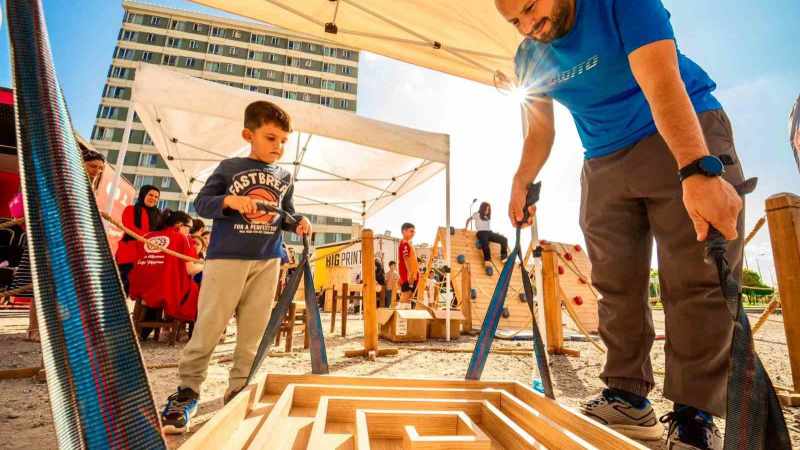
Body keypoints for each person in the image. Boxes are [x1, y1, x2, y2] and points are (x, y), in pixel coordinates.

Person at [495, 1, 744, 448]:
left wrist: (696, 170)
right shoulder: (528, 57)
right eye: (515, 21)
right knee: (615, 281)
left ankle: (694, 414)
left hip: (679, 129)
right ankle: (628, 398)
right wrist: (520, 181)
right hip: (604, 157)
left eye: (531, 8)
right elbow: (540, 132)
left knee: (696, 276)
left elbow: (661, 81)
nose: (527, 26)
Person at [160, 100, 311, 433]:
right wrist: (228, 201)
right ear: (249, 134)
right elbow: (201, 204)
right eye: (271, 138)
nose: (279, 147)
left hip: (268, 261)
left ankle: (239, 390)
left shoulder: (285, 176)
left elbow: (285, 214)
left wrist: (299, 221)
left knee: (253, 333)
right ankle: (187, 391)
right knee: (210, 327)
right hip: (226, 260)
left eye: (284, 141)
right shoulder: (230, 167)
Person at [128, 210, 201, 329]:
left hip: (139, 287)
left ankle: (147, 325)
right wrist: (205, 264)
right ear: (179, 225)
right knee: (194, 288)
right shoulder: (183, 238)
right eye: (189, 228)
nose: (189, 232)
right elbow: (190, 270)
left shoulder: (147, 236)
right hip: (165, 289)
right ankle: (178, 327)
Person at [116, 185, 161, 294]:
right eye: (150, 195)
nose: (153, 198)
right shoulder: (131, 209)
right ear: (143, 195)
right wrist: (150, 238)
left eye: (156, 197)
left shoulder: (159, 215)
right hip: (128, 254)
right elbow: (129, 226)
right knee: (120, 287)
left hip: (148, 257)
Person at [465, 202, 509, 270]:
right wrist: (465, 228)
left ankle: (503, 256)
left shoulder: (487, 217)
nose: (487, 211)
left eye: (488, 210)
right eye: (486, 209)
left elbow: (487, 228)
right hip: (481, 232)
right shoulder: (477, 214)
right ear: (482, 209)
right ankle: (487, 260)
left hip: (489, 232)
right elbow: (468, 219)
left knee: (504, 239)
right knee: (485, 243)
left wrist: (495, 234)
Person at [397, 223, 419, 305]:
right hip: (408, 275)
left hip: (412, 274)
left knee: (409, 296)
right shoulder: (404, 243)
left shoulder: (409, 243)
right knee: (406, 295)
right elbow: (406, 259)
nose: (413, 233)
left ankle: (405, 315)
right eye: (411, 231)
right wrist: (410, 273)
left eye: (414, 232)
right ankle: (401, 316)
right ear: (404, 231)